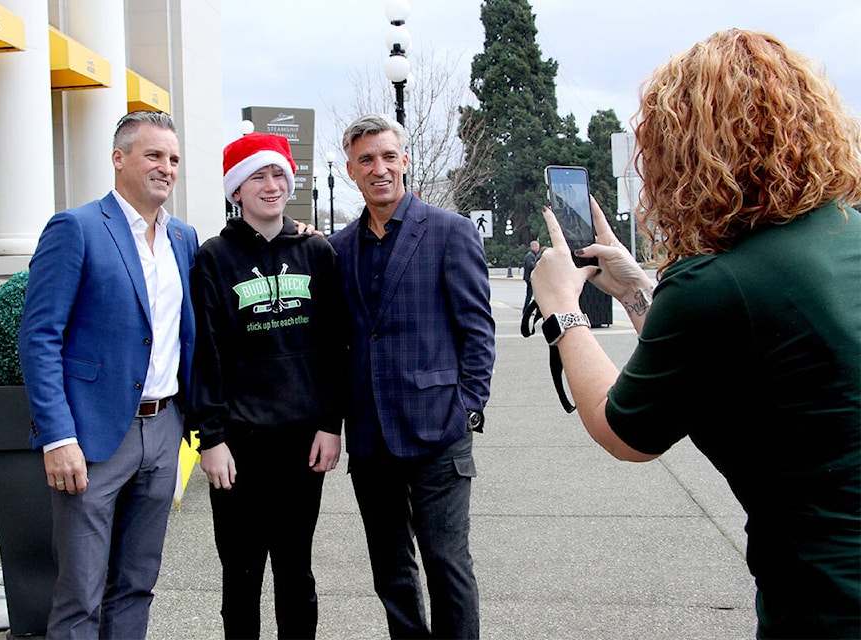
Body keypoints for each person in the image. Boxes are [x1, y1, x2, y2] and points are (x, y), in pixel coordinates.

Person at [530, 29, 860, 639]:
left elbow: (626, 430)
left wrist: (560, 309)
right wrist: (634, 291)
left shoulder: (713, 282)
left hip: (823, 601)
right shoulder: (847, 232)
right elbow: (732, 353)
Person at [18, 111, 199, 639]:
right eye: (153, 155)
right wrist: (58, 437)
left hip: (165, 432)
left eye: (173, 159)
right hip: (93, 438)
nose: (166, 168)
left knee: (138, 583)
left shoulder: (182, 238)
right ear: (118, 158)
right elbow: (39, 338)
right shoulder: (75, 228)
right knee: (80, 593)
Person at [328, 113, 496, 639]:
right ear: (352, 171)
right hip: (371, 439)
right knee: (391, 572)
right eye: (366, 161)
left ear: (404, 161)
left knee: (448, 567)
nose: (380, 169)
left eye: (388, 156)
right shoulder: (337, 249)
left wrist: (467, 405)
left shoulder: (450, 232)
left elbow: (477, 329)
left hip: (438, 433)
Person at [188, 132, 348, 639]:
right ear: (236, 190)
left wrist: (331, 424)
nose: (272, 185)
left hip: (303, 442)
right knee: (241, 575)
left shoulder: (316, 253)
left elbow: (334, 346)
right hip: (237, 446)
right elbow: (204, 353)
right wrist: (209, 439)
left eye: (279, 174)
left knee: (295, 572)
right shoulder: (213, 258)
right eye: (258, 176)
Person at [522, 240, 540, 312]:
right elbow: (530, 265)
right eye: (537, 246)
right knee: (530, 294)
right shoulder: (530, 255)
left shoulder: (534, 255)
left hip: (531, 278)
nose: (538, 248)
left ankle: (533, 309)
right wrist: (538, 265)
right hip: (530, 278)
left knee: (534, 294)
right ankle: (526, 309)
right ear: (533, 247)